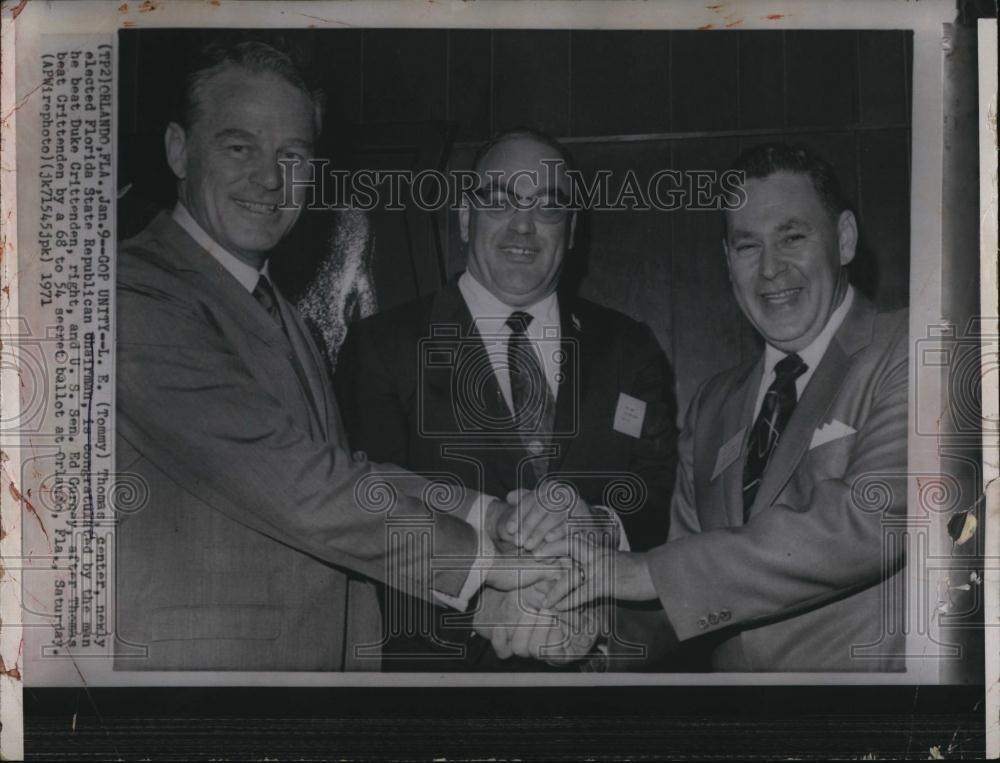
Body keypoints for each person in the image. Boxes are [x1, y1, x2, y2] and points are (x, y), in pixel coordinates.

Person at [114, 41, 555, 672]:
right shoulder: (131, 293)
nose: (269, 179)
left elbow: (343, 470)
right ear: (179, 150)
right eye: (239, 148)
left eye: (291, 155)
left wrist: (489, 512)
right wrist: (485, 570)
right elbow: (299, 486)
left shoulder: (277, 309)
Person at [545, 143, 908, 672]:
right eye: (747, 247)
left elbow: (873, 522)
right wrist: (587, 634)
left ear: (845, 239)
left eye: (793, 236)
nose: (770, 270)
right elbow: (683, 599)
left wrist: (646, 572)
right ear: (726, 261)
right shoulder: (715, 404)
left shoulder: (911, 348)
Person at [335, 128, 678, 670]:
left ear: (571, 231)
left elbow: (657, 496)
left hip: (599, 674)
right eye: (500, 201)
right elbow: (363, 508)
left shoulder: (628, 346)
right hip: (443, 678)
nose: (523, 226)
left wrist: (599, 521)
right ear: (466, 218)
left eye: (548, 206)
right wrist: (481, 603)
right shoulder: (383, 346)